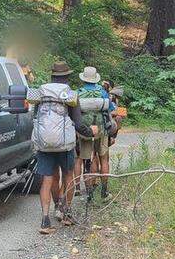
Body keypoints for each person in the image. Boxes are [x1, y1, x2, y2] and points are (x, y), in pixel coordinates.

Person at [27, 61, 91, 234]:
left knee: (47, 180)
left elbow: (35, 117)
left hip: (44, 144)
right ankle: (67, 213)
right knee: (68, 175)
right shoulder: (70, 94)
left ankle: (45, 220)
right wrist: (90, 132)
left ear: (52, 76)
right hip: (65, 145)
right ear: (67, 77)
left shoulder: (40, 92)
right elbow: (78, 123)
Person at [74, 67, 116, 202]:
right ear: (95, 79)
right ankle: (104, 192)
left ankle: (89, 194)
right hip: (101, 129)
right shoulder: (102, 92)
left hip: (85, 130)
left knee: (87, 160)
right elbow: (111, 109)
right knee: (103, 158)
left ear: (83, 78)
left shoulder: (78, 93)